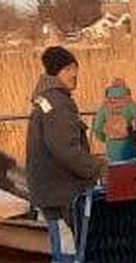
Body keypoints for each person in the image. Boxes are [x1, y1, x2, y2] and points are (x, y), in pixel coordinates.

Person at [26, 46, 103, 228]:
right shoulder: (59, 104)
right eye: (68, 69)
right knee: (74, 249)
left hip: (49, 191)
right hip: (63, 192)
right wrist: (98, 168)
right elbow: (65, 149)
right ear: (55, 73)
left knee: (62, 249)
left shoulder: (46, 100)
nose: (75, 74)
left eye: (75, 68)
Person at [92, 77, 136, 162]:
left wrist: (105, 138)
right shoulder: (130, 104)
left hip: (112, 150)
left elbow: (97, 127)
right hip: (129, 147)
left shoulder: (105, 107)